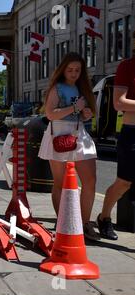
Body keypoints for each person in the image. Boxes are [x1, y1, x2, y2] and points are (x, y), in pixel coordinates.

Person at [38, 52, 98, 240]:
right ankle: (64, 221)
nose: (73, 73)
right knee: (61, 183)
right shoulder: (57, 88)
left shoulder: (83, 88)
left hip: (79, 133)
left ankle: (84, 223)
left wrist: (85, 114)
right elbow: (50, 114)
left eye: (77, 70)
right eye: (70, 69)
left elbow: (80, 112)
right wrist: (74, 108)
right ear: (63, 69)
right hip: (60, 134)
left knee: (90, 181)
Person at [98, 32, 135, 240]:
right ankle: (104, 218)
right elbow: (119, 103)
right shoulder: (127, 67)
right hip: (132, 134)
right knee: (124, 182)